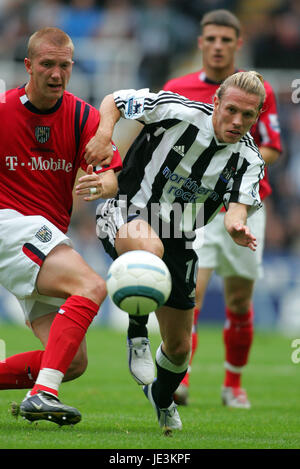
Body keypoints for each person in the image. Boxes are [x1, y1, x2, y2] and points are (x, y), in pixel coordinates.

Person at [88, 70, 266, 432]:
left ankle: (163, 398)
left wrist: (235, 226)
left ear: (257, 116)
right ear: (215, 102)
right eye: (231, 110)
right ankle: (137, 332)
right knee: (149, 248)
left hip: (181, 238)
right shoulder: (175, 110)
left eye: (248, 116)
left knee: (180, 347)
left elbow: (237, 209)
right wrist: (104, 136)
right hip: (130, 211)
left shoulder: (250, 161)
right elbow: (115, 101)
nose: (237, 121)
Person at [125, 9, 282, 408]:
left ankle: (233, 384)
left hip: (242, 207)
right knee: (189, 290)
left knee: (239, 302)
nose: (217, 46)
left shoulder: (258, 91)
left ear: (237, 45)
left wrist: (229, 177)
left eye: (225, 40)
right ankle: (181, 381)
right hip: (191, 209)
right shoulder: (178, 87)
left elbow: (271, 147)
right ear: (201, 43)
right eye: (210, 39)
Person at [0, 27, 122, 426]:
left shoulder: (83, 116)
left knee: (72, 361)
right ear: (29, 66)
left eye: (64, 65)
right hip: (10, 225)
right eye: (47, 65)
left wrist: (104, 181)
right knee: (92, 285)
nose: (56, 74)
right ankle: (42, 395)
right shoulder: (2, 111)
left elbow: (115, 174)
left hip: (40, 238)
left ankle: (46, 384)